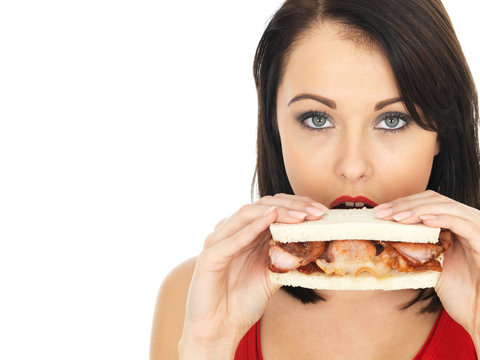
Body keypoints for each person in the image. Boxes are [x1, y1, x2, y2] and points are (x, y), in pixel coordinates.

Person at [150, 0, 480, 358]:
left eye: (393, 120)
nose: (353, 167)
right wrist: (208, 346)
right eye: (317, 119)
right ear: (274, 127)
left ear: (443, 132)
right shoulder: (196, 296)